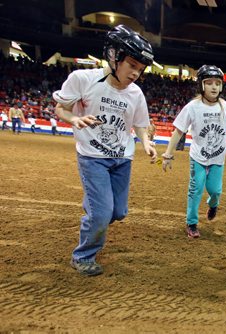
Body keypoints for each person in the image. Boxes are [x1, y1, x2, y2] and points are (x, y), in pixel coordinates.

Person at [53, 24, 157, 276]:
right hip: (93, 158)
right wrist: (73, 119)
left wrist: (145, 142)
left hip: (122, 159)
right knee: (101, 215)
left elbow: (140, 125)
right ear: (114, 56)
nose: (136, 73)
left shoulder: (136, 94)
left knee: (118, 212)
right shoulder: (83, 79)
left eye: (140, 69)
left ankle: (95, 203)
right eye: (131, 65)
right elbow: (60, 108)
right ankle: (83, 255)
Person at [161, 64, 226, 239]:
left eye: (217, 83)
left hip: (218, 158)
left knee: (215, 190)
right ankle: (192, 223)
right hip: (198, 157)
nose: (214, 86)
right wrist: (167, 155)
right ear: (201, 85)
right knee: (195, 189)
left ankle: (213, 204)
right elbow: (178, 131)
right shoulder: (192, 107)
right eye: (209, 82)